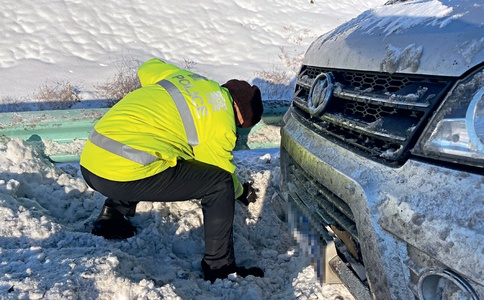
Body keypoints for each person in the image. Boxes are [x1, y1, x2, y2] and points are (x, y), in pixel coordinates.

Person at [79, 58, 264, 283]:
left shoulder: (187, 80)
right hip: (120, 177)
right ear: (241, 115)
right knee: (219, 184)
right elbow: (220, 170)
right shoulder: (221, 122)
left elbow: (147, 68)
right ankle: (219, 267)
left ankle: (111, 217)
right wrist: (241, 191)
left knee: (158, 145)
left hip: (91, 161)